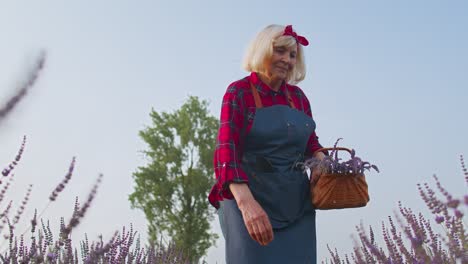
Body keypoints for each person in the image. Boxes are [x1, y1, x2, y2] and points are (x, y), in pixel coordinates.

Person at [208, 24, 327, 264]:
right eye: (280, 51)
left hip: (296, 203)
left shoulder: (299, 98)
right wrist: (246, 204)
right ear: (262, 51)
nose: (287, 60)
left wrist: (320, 160)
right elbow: (226, 153)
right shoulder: (238, 92)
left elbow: (310, 143)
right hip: (248, 197)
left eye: (292, 55)